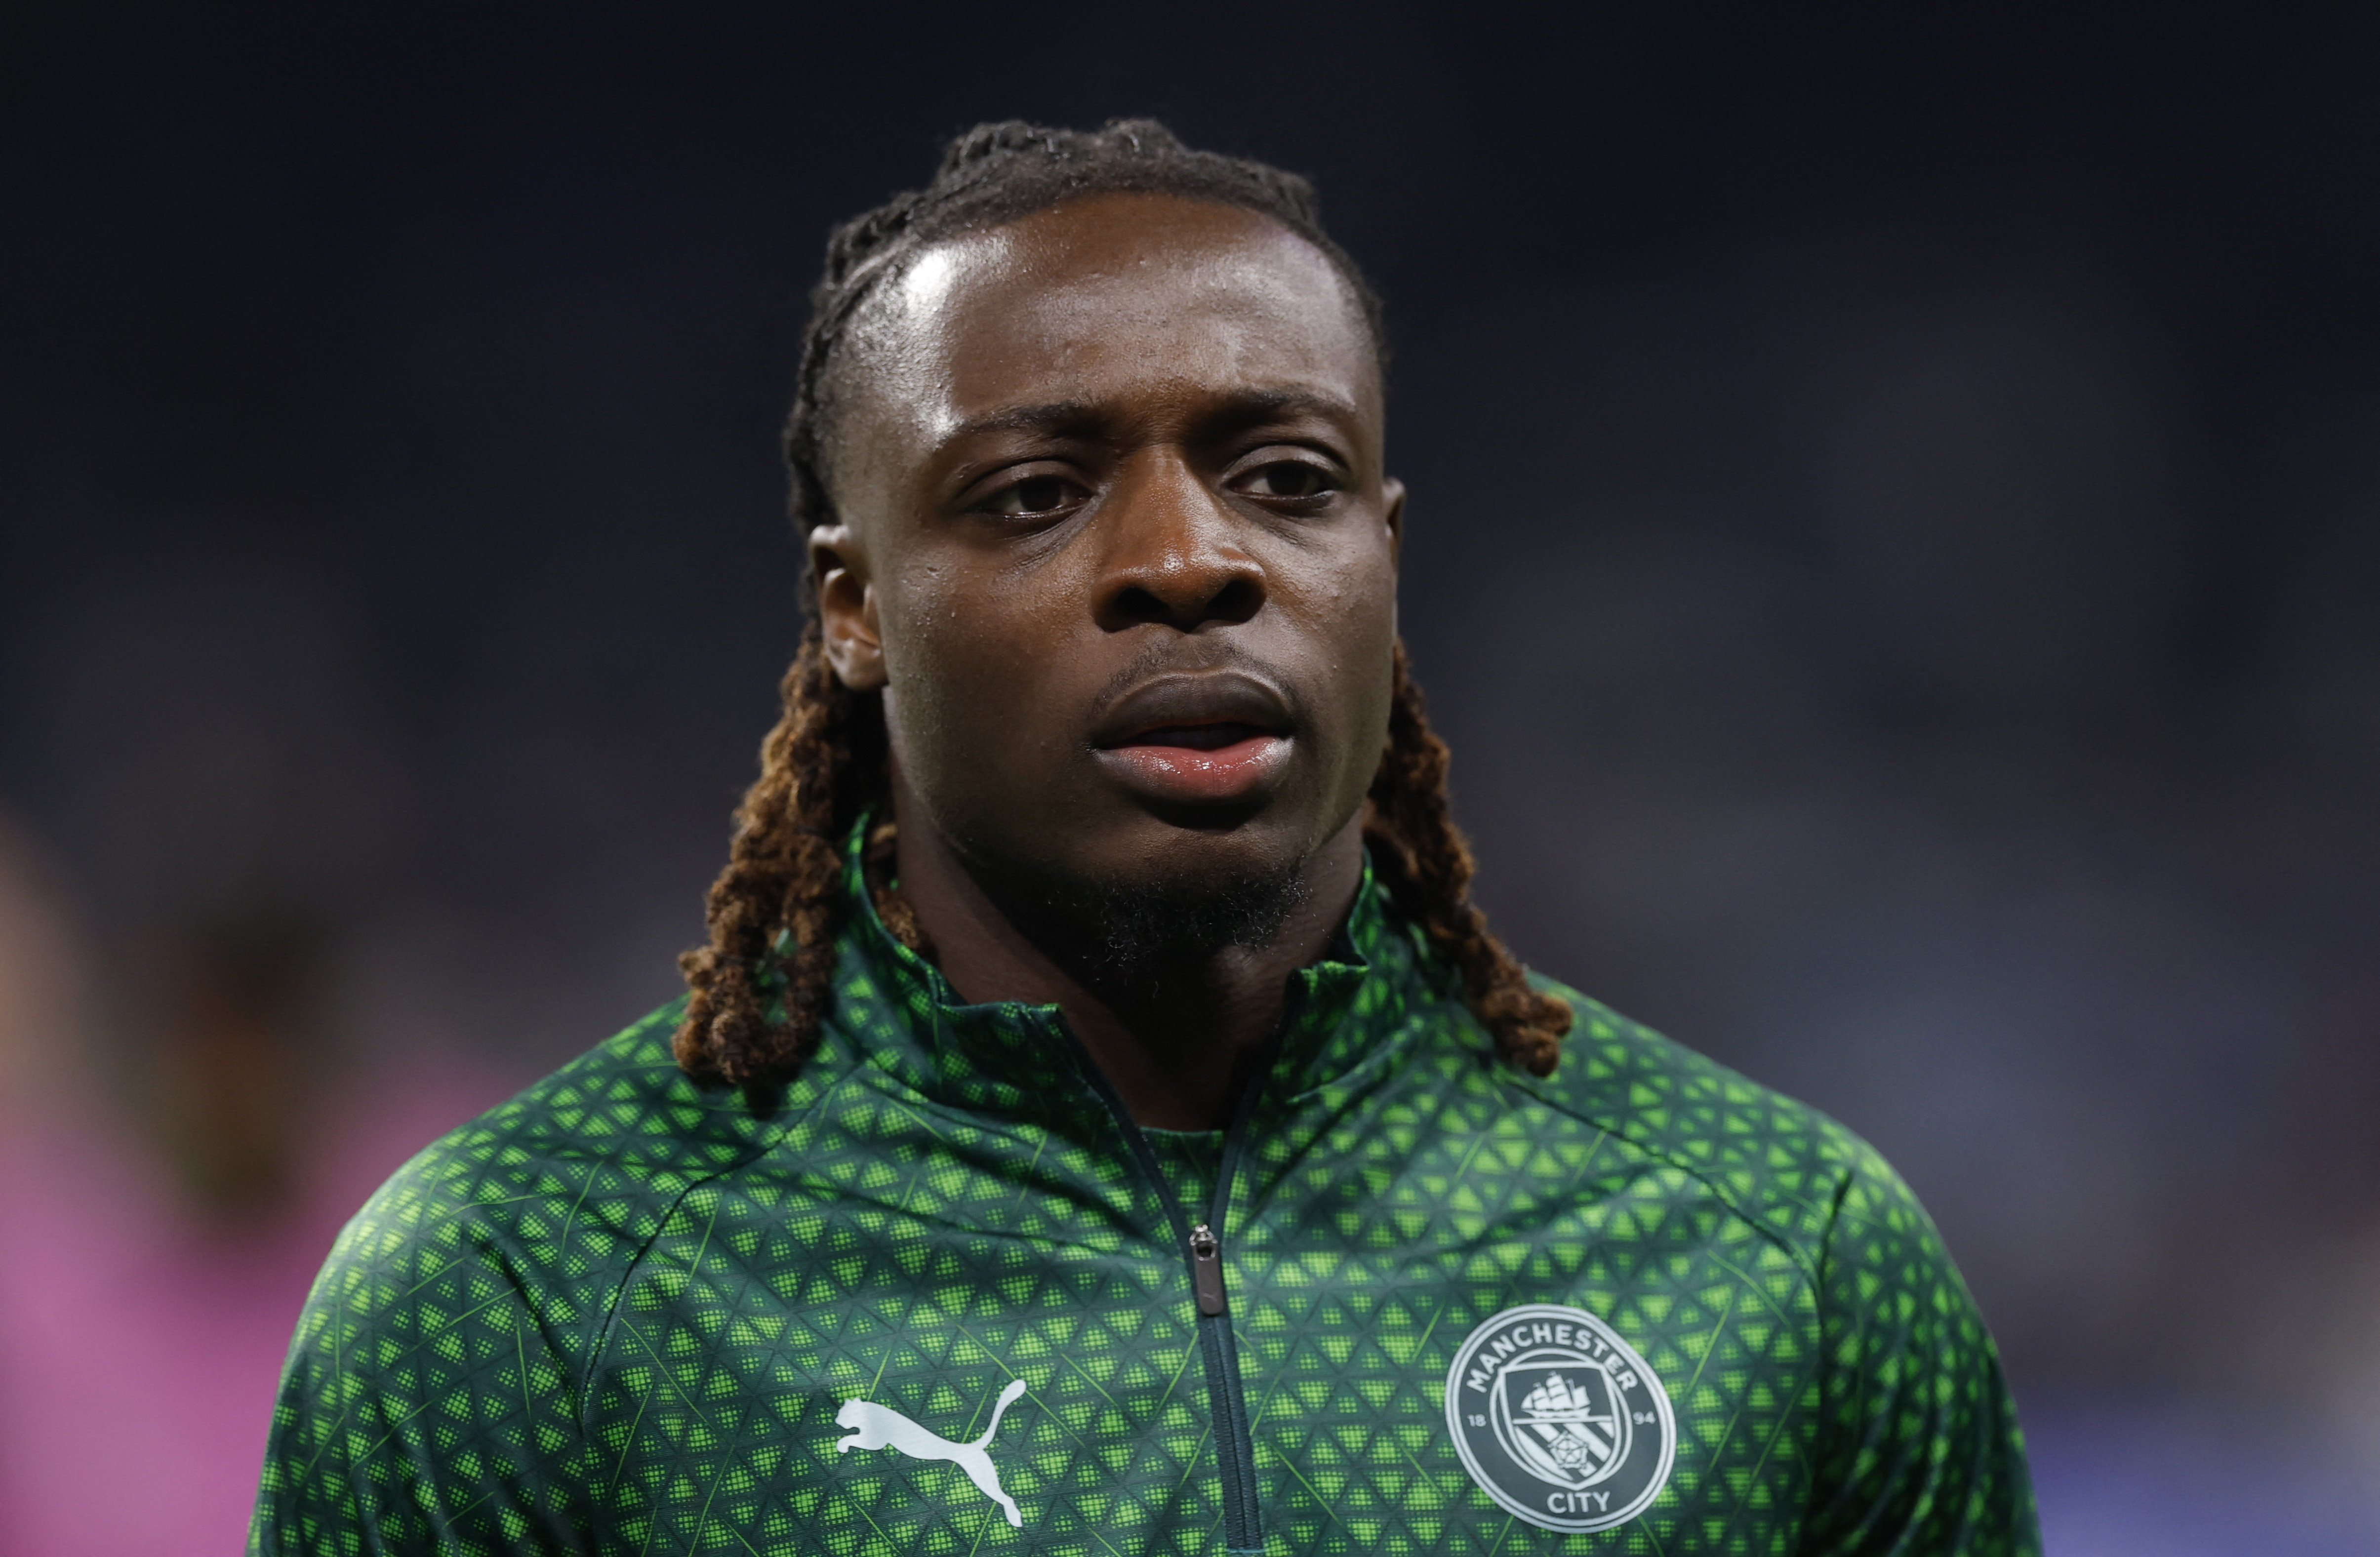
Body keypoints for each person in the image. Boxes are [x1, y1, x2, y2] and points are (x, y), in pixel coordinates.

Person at [251, 120, 2038, 1556]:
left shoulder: (1773, 1253)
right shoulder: (526, 1288)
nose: (1190, 557)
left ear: (1383, 556)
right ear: (854, 605)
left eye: (1287, 476)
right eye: (1036, 492)